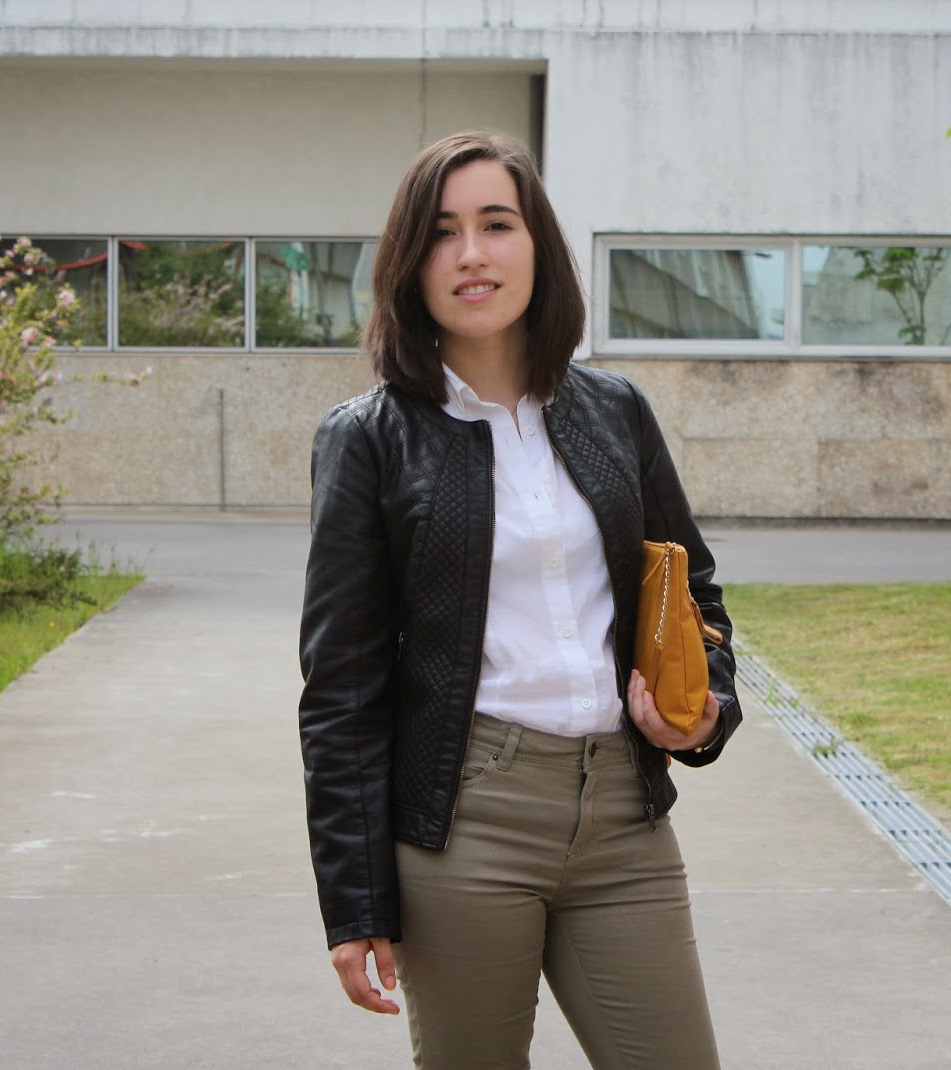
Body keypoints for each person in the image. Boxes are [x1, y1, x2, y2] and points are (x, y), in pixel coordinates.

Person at [297, 129, 740, 1070]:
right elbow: (342, 687)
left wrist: (705, 712)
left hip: (623, 815)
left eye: (496, 224)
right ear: (408, 263)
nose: (471, 253)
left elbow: (692, 589)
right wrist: (355, 900)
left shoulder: (614, 410)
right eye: (442, 232)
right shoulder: (369, 439)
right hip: (467, 821)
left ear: (537, 245)